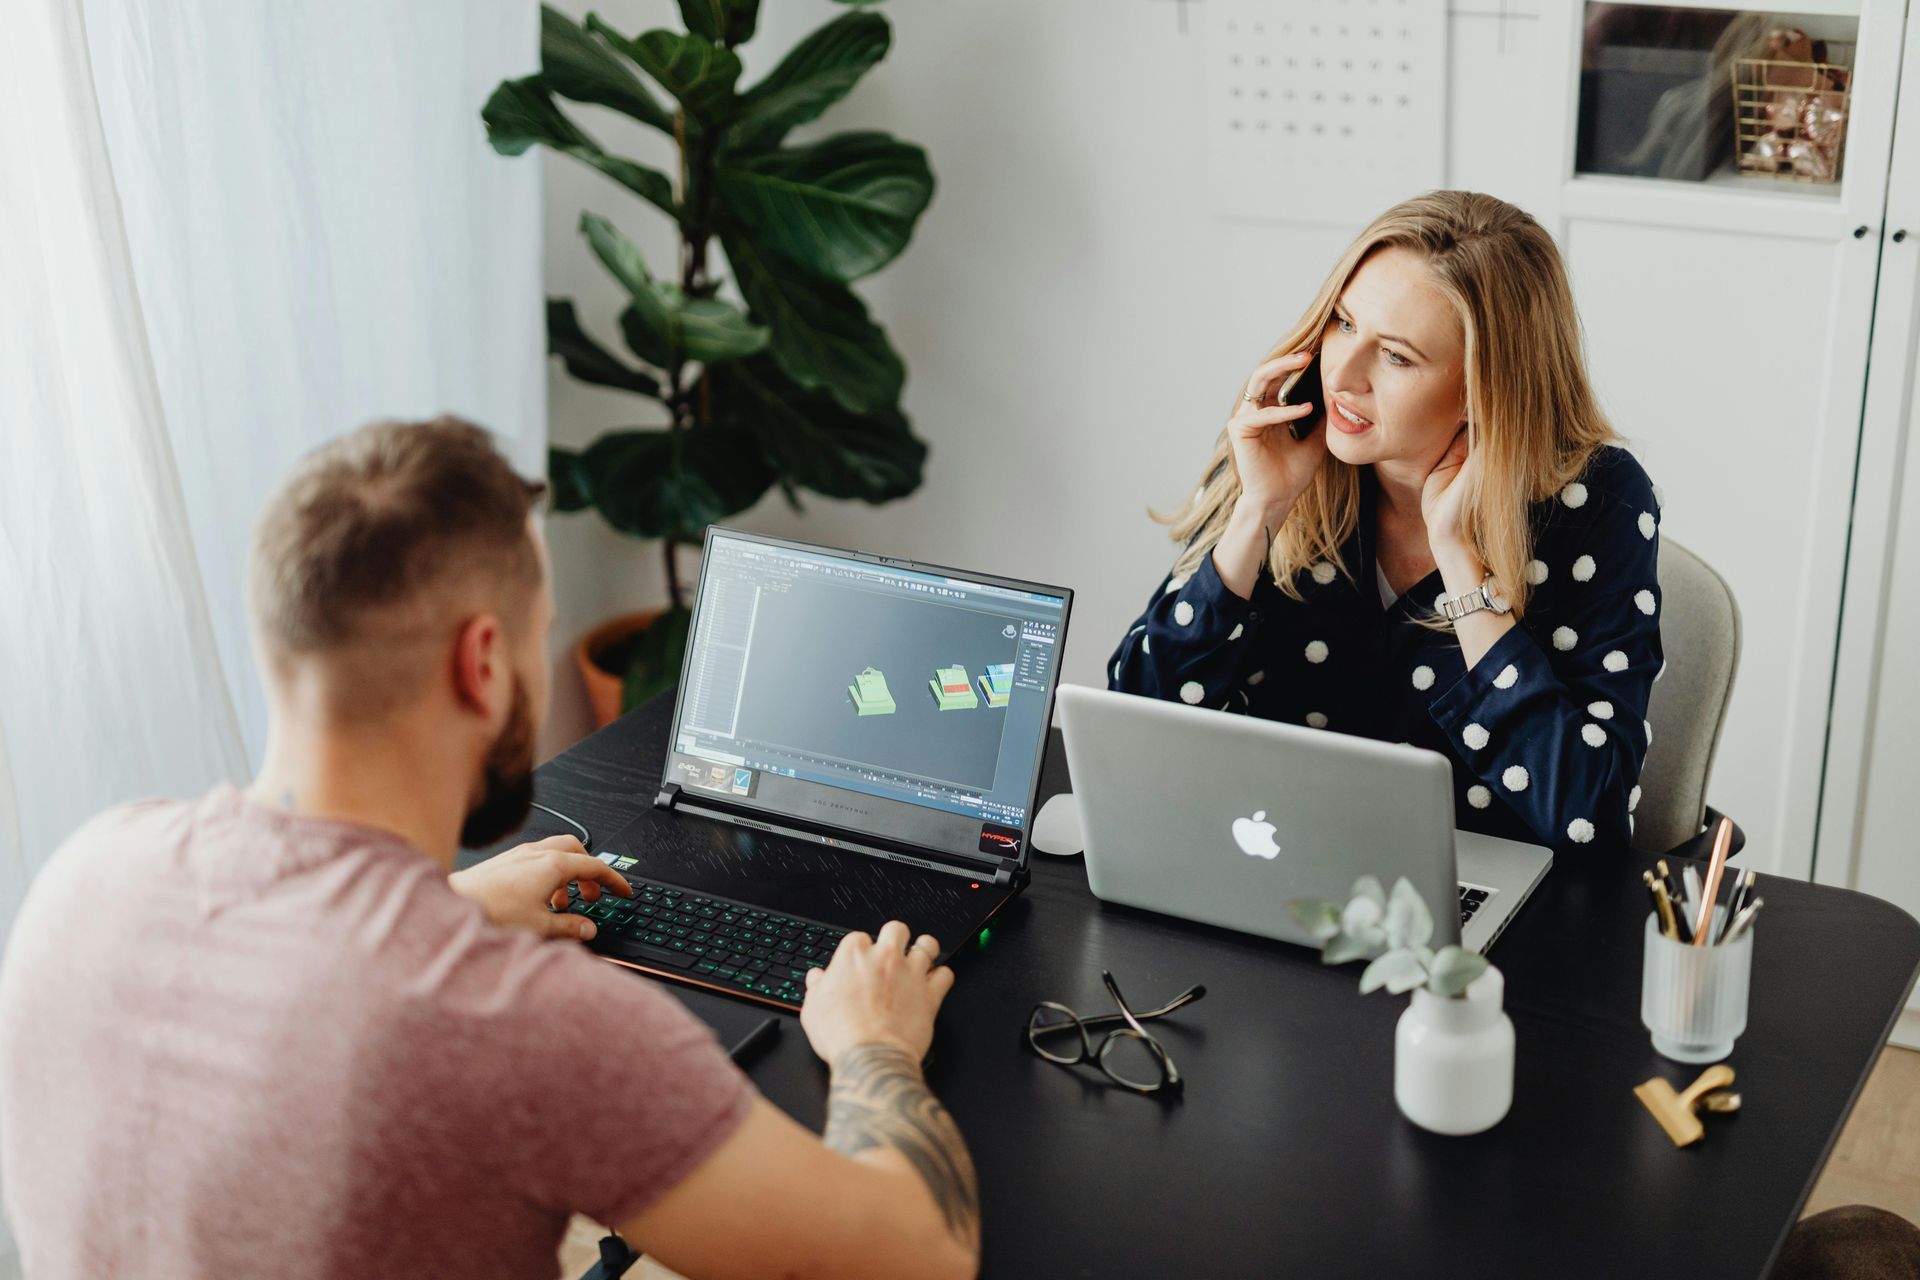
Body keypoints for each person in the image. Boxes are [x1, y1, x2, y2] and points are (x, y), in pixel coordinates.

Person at [0, 419, 979, 1279]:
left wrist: (450, 904)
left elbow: (292, 969)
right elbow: (918, 1252)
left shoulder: (86, 873)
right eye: (535, 638)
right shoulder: (524, 1025)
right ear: (480, 661)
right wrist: (872, 1047)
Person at [1110, 190, 1663, 853]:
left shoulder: (1599, 503)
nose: (1342, 373)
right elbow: (1135, 729)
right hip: (1277, 872)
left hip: (1485, 916)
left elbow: (1589, 813)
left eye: (1396, 356)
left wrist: (1460, 560)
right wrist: (1258, 512)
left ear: (1484, 388)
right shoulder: (1285, 441)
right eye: (1343, 324)